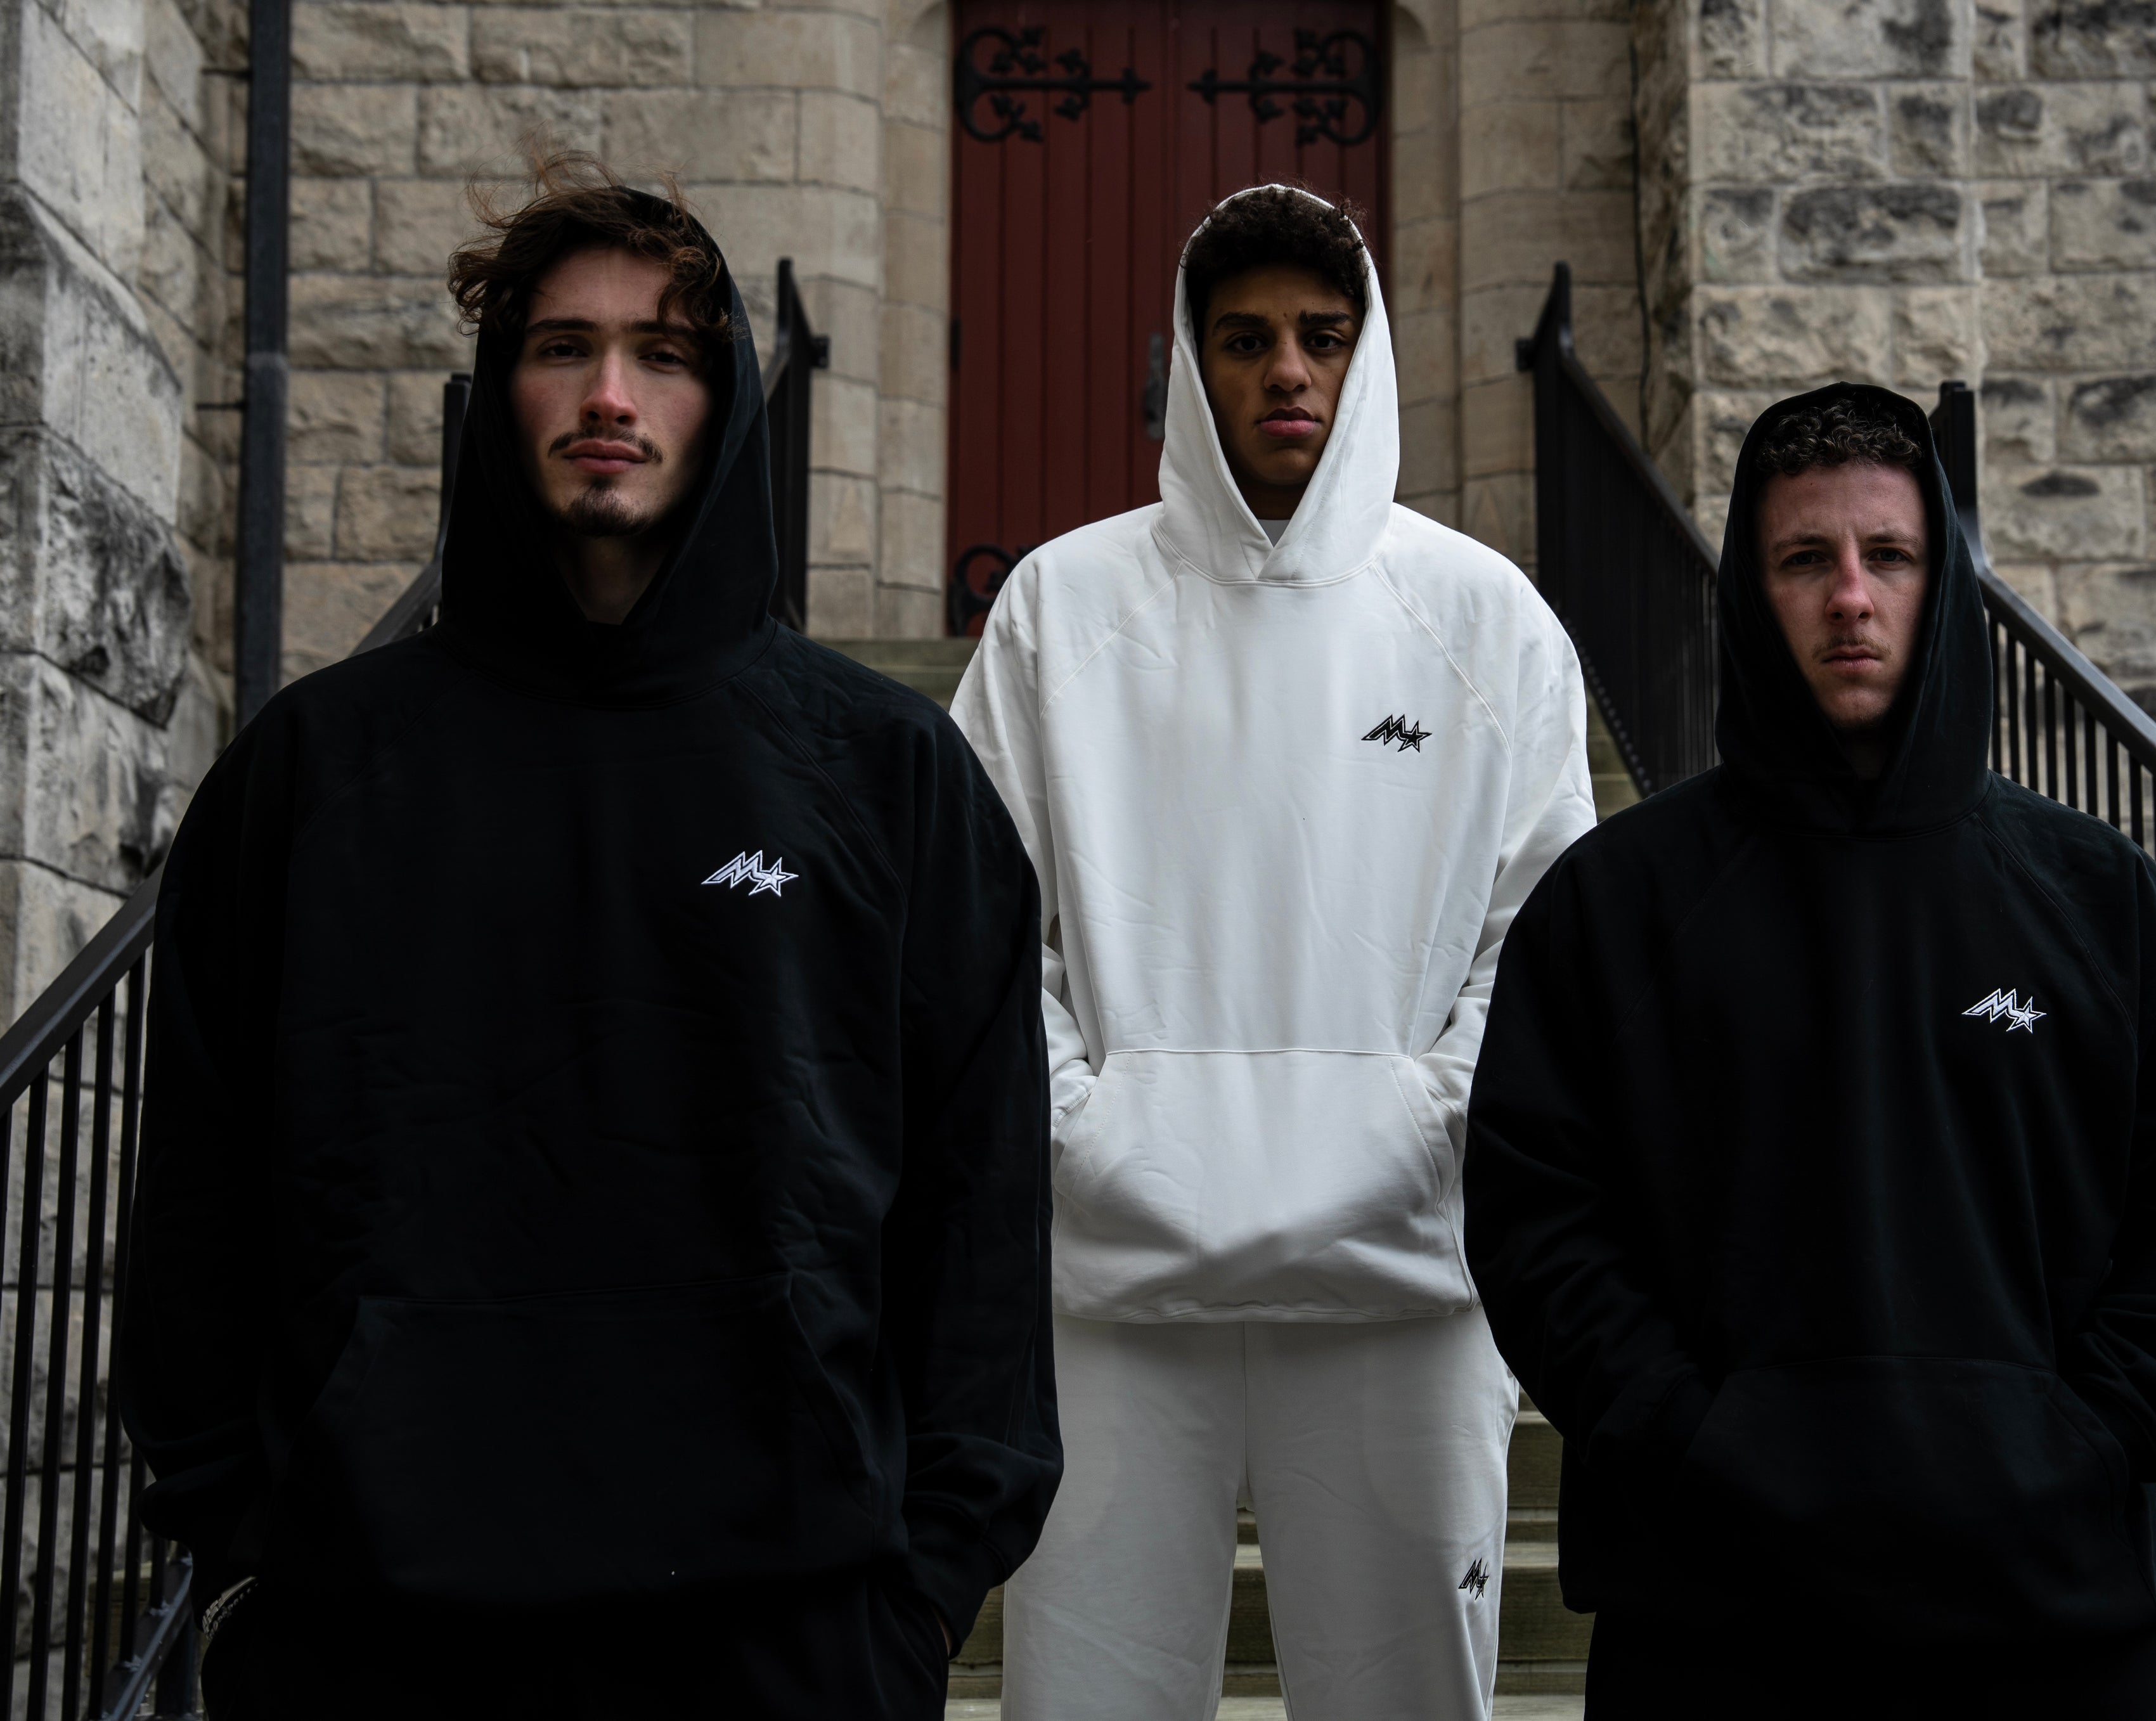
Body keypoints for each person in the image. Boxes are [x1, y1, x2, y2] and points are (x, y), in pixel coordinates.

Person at [120, 155, 1059, 1720]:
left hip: (788, 1636)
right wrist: (240, 1559)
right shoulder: (314, 774)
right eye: (564, 347)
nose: (610, 394)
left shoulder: (887, 778)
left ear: (726, 401)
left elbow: (983, 1217)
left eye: (663, 354)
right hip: (370, 1631)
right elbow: (197, 1203)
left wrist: (917, 1599)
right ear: (500, 391)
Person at [1463, 382, 2156, 1715]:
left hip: (2054, 1618)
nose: (1851, 596)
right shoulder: (1619, 906)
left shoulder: (2103, 903)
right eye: (1805, 559)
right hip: (1711, 1624)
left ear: (1941, 579)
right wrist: (1690, 1437)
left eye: (1889, 555)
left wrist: (2085, 1437)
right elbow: (1536, 1214)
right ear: (1753, 591)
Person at [950, 184, 1596, 1720]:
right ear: (1191, 364)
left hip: (1404, 1273)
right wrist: (1089, 1131)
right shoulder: (1061, 608)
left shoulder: (1484, 618)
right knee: (1091, 1698)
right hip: (1110, 1281)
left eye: (1322, 336)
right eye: (1245, 340)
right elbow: (973, 926)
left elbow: (1547, 942)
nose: (1287, 371)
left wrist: (1421, 1124)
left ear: (1368, 356)